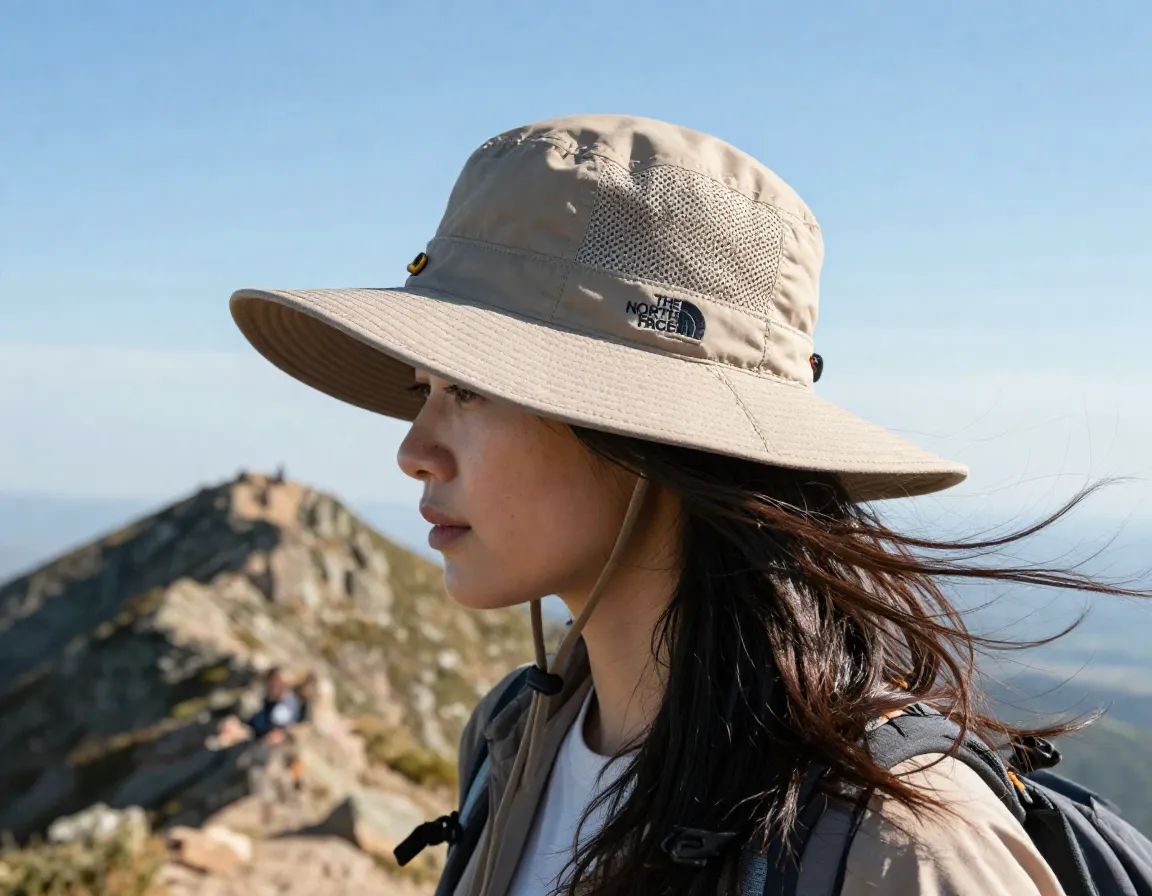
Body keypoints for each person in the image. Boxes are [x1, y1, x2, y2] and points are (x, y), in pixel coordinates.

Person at [227, 116, 1149, 895]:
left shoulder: (892, 845)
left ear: (646, 433)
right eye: (425, 388)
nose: (413, 450)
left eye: (466, 391)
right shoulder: (516, 738)